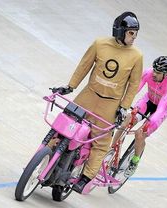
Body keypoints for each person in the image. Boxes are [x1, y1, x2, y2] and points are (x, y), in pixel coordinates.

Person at [55, 11, 143, 193]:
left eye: (135, 33)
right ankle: (45, 155)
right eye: (131, 33)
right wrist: (70, 86)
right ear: (120, 31)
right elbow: (84, 65)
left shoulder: (136, 56)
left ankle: (85, 177)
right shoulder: (99, 44)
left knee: (102, 142)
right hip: (88, 95)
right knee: (63, 124)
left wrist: (123, 107)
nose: (134, 37)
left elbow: (133, 85)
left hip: (110, 105)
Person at [112, 56, 167, 177]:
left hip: (161, 109)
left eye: (158, 73)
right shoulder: (148, 73)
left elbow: (162, 107)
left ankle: (134, 161)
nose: (154, 74)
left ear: (166, 74)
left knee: (139, 133)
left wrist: (151, 120)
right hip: (148, 100)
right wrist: (123, 103)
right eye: (154, 70)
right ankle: (111, 150)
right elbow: (135, 90)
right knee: (127, 120)